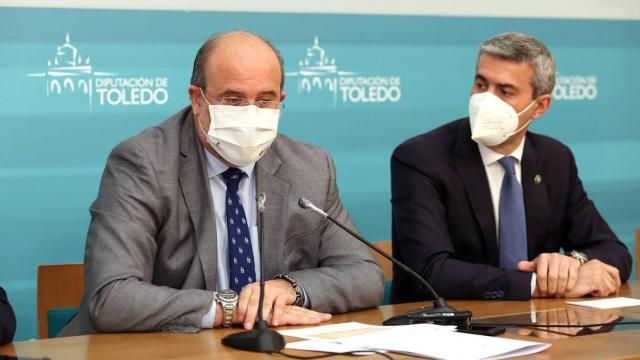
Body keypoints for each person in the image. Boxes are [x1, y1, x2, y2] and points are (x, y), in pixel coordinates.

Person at [59, 31, 383, 336]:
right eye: (233, 99)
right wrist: (231, 309)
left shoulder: (310, 166)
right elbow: (112, 296)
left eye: (265, 100)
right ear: (197, 100)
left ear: (280, 100)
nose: (250, 114)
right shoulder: (144, 162)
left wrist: (289, 289)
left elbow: (364, 275)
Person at [390, 32, 632, 303]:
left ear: (540, 106)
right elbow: (430, 272)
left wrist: (574, 264)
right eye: (481, 85)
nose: (485, 100)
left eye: (504, 92)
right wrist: (538, 284)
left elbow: (613, 251)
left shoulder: (555, 159)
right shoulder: (421, 158)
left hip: (540, 329)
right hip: (446, 330)